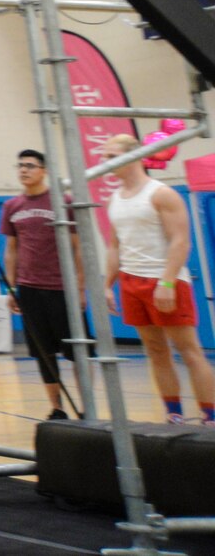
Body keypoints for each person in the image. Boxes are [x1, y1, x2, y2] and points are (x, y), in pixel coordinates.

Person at [102, 133, 214, 424]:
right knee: (155, 350)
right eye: (105, 157)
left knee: (189, 351)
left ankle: (210, 415)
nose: (106, 163)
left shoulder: (161, 193)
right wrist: (107, 285)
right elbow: (115, 245)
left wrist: (166, 282)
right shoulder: (114, 199)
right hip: (131, 281)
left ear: (135, 156)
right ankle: (173, 414)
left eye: (113, 157)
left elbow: (180, 241)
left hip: (165, 280)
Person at [3, 149, 81, 420]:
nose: (23, 170)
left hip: (62, 289)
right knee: (43, 354)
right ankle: (57, 408)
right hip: (29, 289)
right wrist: (11, 287)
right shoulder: (11, 206)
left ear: (43, 170)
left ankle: (86, 407)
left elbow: (78, 248)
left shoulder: (64, 202)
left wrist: (80, 288)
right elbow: (11, 250)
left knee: (77, 352)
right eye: (20, 165)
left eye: (30, 166)